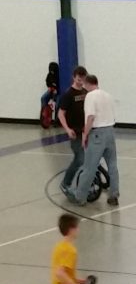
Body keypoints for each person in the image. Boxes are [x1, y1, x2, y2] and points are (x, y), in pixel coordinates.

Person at [70, 74, 120, 208]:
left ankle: (80, 197)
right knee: (112, 166)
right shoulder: (108, 95)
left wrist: (85, 134)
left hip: (97, 134)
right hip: (110, 131)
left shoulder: (90, 96)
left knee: (89, 167)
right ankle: (114, 195)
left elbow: (90, 117)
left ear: (87, 84)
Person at [57, 65, 88, 195]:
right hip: (75, 133)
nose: (81, 81)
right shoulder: (68, 94)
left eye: (83, 79)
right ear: (74, 78)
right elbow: (60, 113)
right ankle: (65, 183)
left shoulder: (86, 93)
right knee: (80, 158)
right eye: (78, 79)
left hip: (86, 131)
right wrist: (67, 129)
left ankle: (90, 181)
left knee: (90, 158)